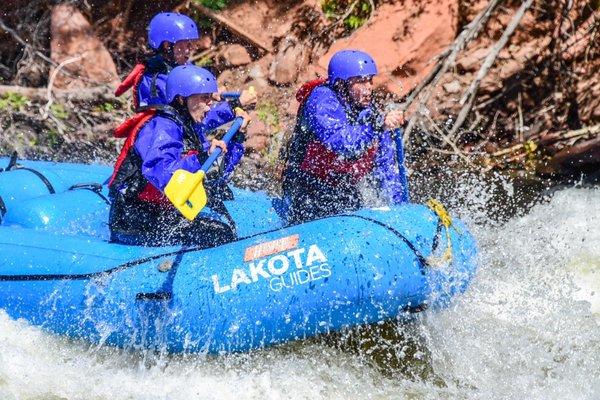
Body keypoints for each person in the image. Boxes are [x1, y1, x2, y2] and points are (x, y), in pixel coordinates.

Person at [108, 65, 250, 247]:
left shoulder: (189, 127)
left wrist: (237, 138)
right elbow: (163, 175)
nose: (210, 105)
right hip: (132, 217)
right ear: (182, 100)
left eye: (210, 99)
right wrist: (200, 157)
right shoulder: (162, 127)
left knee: (223, 225)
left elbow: (216, 177)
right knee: (220, 234)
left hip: (159, 210)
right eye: (204, 99)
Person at [281, 49, 409, 225]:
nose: (368, 88)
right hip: (307, 187)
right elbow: (343, 143)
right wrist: (379, 126)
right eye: (360, 82)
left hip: (344, 188)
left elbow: (386, 168)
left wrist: (399, 211)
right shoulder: (321, 102)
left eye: (370, 81)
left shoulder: (369, 114)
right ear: (341, 85)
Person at [114, 12, 255, 110]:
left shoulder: (178, 66)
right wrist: (234, 105)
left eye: (191, 43)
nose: (191, 48)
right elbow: (192, 120)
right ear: (167, 45)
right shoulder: (156, 82)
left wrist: (209, 93)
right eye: (186, 44)